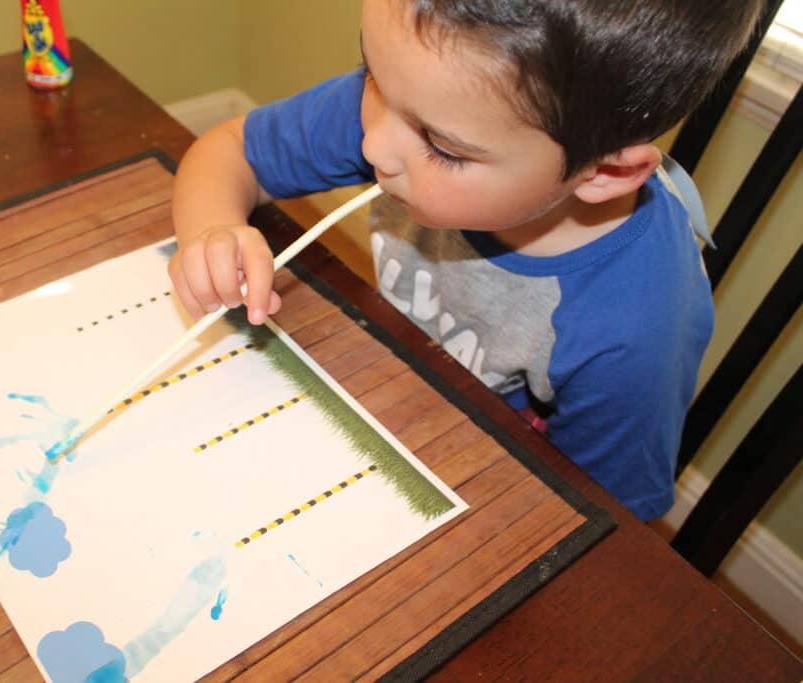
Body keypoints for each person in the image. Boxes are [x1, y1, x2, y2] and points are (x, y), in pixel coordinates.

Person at [165, 0, 762, 521]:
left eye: (443, 148)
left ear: (602, 172)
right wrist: (212, 231)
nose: (372, 144)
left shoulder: (636, 331)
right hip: (387, 387)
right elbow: (230, 151)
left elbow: (594, 520)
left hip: (484, 471)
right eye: (372, 72)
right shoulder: (416, 105)